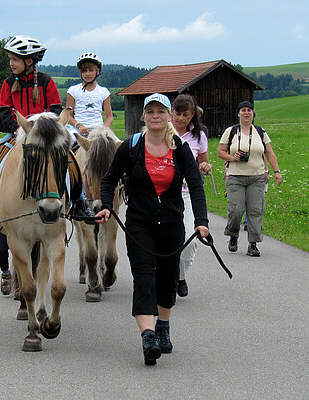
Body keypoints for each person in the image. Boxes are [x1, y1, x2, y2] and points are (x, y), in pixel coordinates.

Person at [95, 93, 209, 366]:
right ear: (144, 116)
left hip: (171, 224)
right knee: (144, 277)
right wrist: (108, 206)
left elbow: (195, 185)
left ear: (169, 116)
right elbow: (109, 179)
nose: (155, 115)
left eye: (160, 111)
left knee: (167, 279)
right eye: (150, 111)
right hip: (140, 224)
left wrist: (201, 221)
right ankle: (147, 336)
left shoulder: (180, 149)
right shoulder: (131, 147)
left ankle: (163, 326)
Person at [0, 35, 95, 222]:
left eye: (14, 59)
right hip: (17, 132)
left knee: (67, 159)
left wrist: (46, 129)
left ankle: (80, 202)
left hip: (44, 135)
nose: (11, 63)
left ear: (29, 61)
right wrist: (16, 129)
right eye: (10, 59)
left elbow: (55, 108)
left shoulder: (47, 81)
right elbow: (4, 110)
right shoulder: (8, 83)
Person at [217, 101, 283, 257]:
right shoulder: (231, 131)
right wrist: (233, 158)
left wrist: (276, 171)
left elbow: (269, 153)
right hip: (235, 177)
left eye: (249, 110)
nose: (246, 113)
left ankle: (253, 244)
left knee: (255, 210)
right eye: (243, 110)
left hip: (257, 177)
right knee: (236, 210)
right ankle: (233, 235)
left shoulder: (260, 132)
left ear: (253, 114)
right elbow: (220, 152)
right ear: (238, 113)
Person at [171, 94, 211, 297]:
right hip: (163, 194)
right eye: (177, 114)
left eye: (185, 115)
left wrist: (204, 167)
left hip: (187, 194)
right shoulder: (162, 130)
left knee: (190, 240)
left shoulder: (199, 135)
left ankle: (180, 276)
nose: (180, 119)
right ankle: (161, 277)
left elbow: (203, 163)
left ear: (192, 114)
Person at [65, 52, 114, 144]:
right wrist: (79, 125)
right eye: (84, 71)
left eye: (91, 70)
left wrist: (104, 129)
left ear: (98, 71)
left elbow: (109, 116)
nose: (87, 74)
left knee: (118, 146)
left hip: (98, 129)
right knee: (64, 144)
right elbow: (68, 115)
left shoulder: (104, 92)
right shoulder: (73, 90)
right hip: (78, 129)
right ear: (80, 72)